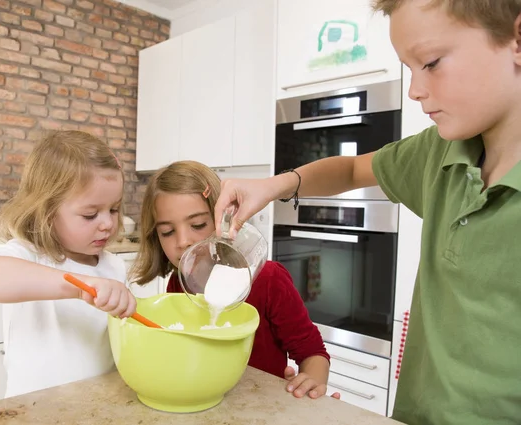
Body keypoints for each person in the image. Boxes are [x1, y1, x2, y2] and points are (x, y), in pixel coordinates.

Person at [213, 1, 521, 424]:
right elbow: (352, 168)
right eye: (408, 68)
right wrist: (272, 186)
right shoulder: (442, 151)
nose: (414, 89)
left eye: (430, 63)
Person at [131, 160, 340, 400]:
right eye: (167, 232)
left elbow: (313, 353)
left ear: (223, 220)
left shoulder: (268, 280)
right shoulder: (178, 285)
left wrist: (310, 383)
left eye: (198, 224)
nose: (183, 241)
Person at [0, 131, 136, 398]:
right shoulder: (30, 255)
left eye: (114, 209)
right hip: (34, 409)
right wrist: (79, 286)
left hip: (96, 404)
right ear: (46, 212)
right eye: (91, 214)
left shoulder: (114, 266)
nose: (107, 223)